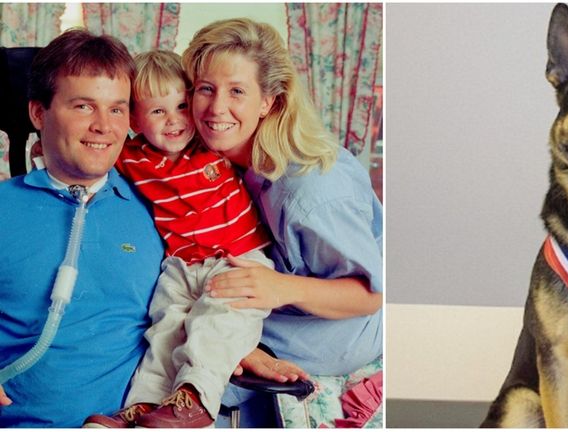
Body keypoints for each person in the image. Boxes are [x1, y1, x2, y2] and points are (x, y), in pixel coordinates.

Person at [181, 18, 383, 424]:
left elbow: (370, 295)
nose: (217, 108)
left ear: (268, 102)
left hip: (344, 329)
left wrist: (279, 288)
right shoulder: (230, 159)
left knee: (187, 341)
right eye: (206, 88)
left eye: (237, 91)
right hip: (282, 305)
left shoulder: (312, 192)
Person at [82, 50, 278, 429]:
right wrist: (42, 149)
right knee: (165, 329)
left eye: (182, 106)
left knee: (214, 321)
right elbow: (92, 152)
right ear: (135, 119)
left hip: (238, 260)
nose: (174, 121)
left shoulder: (211, 143)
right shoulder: (131, 156)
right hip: (181, 264)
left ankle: (197, 398)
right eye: (157, 112)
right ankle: (146, 406)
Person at [0, 29, 164, 427]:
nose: (104, 127)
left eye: (117, 109)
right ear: (39, 113)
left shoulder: (159, 209)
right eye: (83, 106)